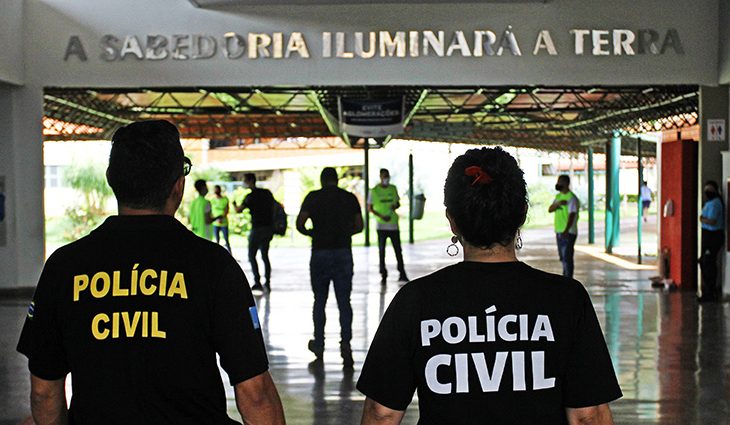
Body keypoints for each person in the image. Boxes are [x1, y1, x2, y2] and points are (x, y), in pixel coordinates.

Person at [16, 120, 285, 425]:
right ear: (178, 186)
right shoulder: (214, 266)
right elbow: (255, 394)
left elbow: (43, 392)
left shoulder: (64, 266)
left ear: (111, 180)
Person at [357, 147, 621, 425]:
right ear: (522, 213)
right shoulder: (567, 299)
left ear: (452, 221)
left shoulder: (415, 300)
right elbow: (588, 416)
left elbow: (382, 414)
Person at [296, 167, 363, 368]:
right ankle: (346, 345)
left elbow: (300, 223)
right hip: (343, 252)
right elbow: (359, 226)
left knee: (320, 301)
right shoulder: (349, 198)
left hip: (320, 253)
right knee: (344, 301)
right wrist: (344, 233)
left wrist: (312, 233)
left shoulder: (313, 197)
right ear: (336, 180)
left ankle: (319, 344)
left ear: (322, 180)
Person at [234, 173, 275, 292]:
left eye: (245, 180)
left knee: (252, 255)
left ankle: (257, 282)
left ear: (250, 181)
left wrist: (233, 204)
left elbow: (238, 210)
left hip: (257, 228)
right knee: (265, 256)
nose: (244, 183)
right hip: (268, 228)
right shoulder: (266, 193)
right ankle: (267, 282)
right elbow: (274, 208)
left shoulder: (250, 196)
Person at [368, 168, 408, 284]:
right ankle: (383, 273)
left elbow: (397, 202)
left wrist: (395, 206)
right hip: (381, 225)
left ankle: (402, 272)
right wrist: (381, 216)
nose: (386, 178)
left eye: (387, 176)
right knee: (382, 250)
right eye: (384, 176)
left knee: (398, 250)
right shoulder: (374, 191)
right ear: (380, 177)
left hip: (393, 224)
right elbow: (369, 208)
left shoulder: (393, 188)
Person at [548, 174, 580, 278]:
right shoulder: (558, 197)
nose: (558, 184)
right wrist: (558, 204)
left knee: (567, 257)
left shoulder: (572, 198)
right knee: (562, 257)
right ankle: (565, 276)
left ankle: (568, 278)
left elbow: (572, 215)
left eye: (560, 182)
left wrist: (566, 230)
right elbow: (550, 209)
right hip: (559, 231)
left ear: (566, 183)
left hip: (568, 232)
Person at [699, 180, 724, 302]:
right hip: (708, 235)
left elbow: (712, 221)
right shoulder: (710, 203)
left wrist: (702, 219)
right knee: (704, 262)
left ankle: (710, 292)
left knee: (708, 263)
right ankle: (708, 291)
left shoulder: (715, 204)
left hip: (713, 236)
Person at [212, 184, 232, 253]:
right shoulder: (212, 200)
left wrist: (221, 218)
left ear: (220, 190)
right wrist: (216, 219)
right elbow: (211, 212)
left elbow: (227, 210)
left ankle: (230, 255)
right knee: (217, 240)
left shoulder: (225, 199)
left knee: (226, 240)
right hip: (215, 223)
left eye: (217, 189)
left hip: (224, 223)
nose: (216, 191)